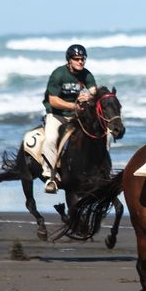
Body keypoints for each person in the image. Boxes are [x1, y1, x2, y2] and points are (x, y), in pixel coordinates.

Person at [41, 44, 96, 193]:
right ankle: (50, 176)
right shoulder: (59, 74)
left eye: (82, 59)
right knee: (51, 139)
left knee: (102, 135)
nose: (80, 62)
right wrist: (74, 106)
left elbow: (93, 91)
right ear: (69, 60)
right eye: (76, 59)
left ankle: (98, 170)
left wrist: (90, 96)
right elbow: (53, 100)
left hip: (77, 116)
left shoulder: (87, 74)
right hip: (57, 115)